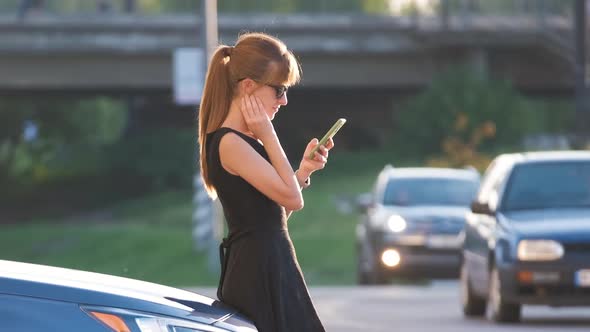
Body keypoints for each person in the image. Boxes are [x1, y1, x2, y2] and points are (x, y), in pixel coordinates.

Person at [198, 32, 331, 332]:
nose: (283, 101)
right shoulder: (230, 143)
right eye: (279, 90)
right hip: (257, 273)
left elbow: (274, 216)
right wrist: (268, 133)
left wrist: (303, 172)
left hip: (268, 265)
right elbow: (293, 199)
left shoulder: (241, 141)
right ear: (248, 87)